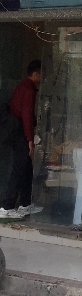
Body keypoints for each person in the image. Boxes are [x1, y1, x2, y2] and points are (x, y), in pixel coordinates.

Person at [0, 60, 44, 220]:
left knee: (26, 168)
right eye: (42, 73)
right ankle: (7, 206)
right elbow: (26, 115)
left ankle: (25, 204)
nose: (43, 77)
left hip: (17, 132)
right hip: (20, 133)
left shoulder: (23, 86)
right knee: (19, 168)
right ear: (35, 74)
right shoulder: (28, 89)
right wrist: (29, 139)